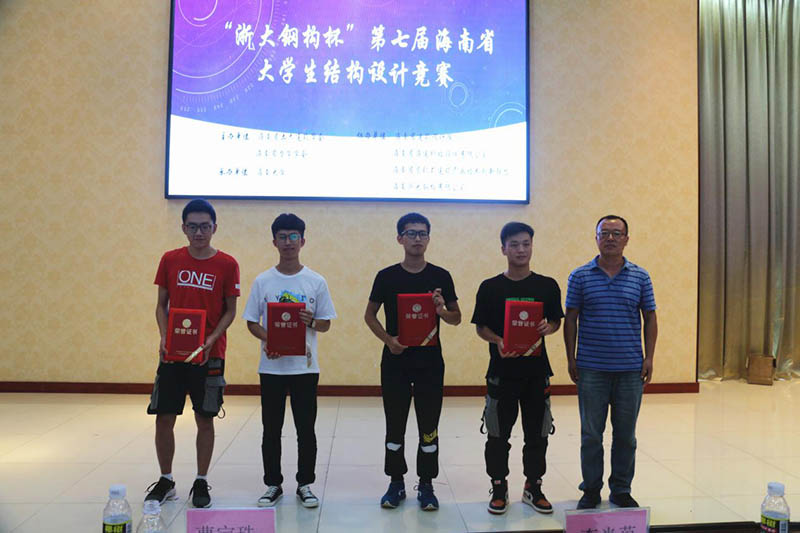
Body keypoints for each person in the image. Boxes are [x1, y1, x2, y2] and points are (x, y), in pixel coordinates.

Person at [145, 199, 241, 508]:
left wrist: (213, 338)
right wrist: (164, 336)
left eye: (205, 226)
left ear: (215, 228)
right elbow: (161, 305)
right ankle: (166, 480)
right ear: (184, 228)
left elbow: (230, 310)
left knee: (205, 418)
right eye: (193, 226)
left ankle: (201, 481)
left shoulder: (227, 264)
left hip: (210, 354)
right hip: (172, 354)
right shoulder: (170, 259)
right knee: (164, 417)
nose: (199, 232)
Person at [364, 213, 461, 511]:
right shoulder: (386, 276)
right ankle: (396, 483)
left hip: (430, 363)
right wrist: (388, 341)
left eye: (422, 233)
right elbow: (369, 315)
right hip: (395, 362)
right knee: (395, 425)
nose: (417, 238)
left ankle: (427, 484)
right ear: (400, 238)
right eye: (411, 233)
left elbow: (457, 318)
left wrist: (441, 311)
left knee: (429, 425)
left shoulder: (441, 276)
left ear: (429, 238)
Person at [564, 215, 658, 509]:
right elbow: (570, 319)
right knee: (591, 435)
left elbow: (650, 317)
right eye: (604, 233)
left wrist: (649, 357)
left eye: (617, 233)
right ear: (596, 238)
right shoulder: (580, 276)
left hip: (630, 370)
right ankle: (591, 489)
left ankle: (621, 489)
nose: (610, 238)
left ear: (627, 239)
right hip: (591, 369)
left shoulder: (640, 277)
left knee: (626, 436)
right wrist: (571, 357)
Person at [243, 213, 336, 508]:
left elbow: (325, 324)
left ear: (303, 241)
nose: (288, 242)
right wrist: (269, 340)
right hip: (271, 368)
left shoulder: (316, 281)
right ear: (274, 242)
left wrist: (311, 321)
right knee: (271, 429)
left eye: (293, 236)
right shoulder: (263, 281)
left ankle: (305, 484)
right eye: (282, 237)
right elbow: (251, 322)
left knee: (305, 429)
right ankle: (273, 484)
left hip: (305, 368)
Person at [471, 222, 563, 515]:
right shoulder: (490, 287)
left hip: (537, 373)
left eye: (526, 243)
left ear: (532, 246)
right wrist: (497, 340)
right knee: (498, 435)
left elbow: (556, 321)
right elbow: (481, 327)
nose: (521, 250)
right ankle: (499, 487)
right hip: (502, 372)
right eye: (514, 244)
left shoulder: (547, 285)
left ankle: (533, 486)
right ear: (503, 249)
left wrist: (548, 327)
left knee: (538, 434)